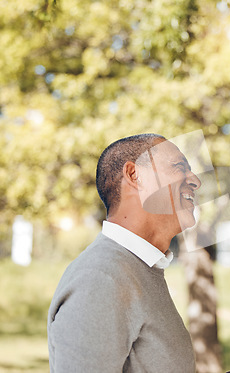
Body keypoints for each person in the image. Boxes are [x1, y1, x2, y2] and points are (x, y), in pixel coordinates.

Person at [47, 134, 199, 372]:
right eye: (179, 167)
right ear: (134, 175)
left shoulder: (138, 269)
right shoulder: (100, 279)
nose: (196, 180)